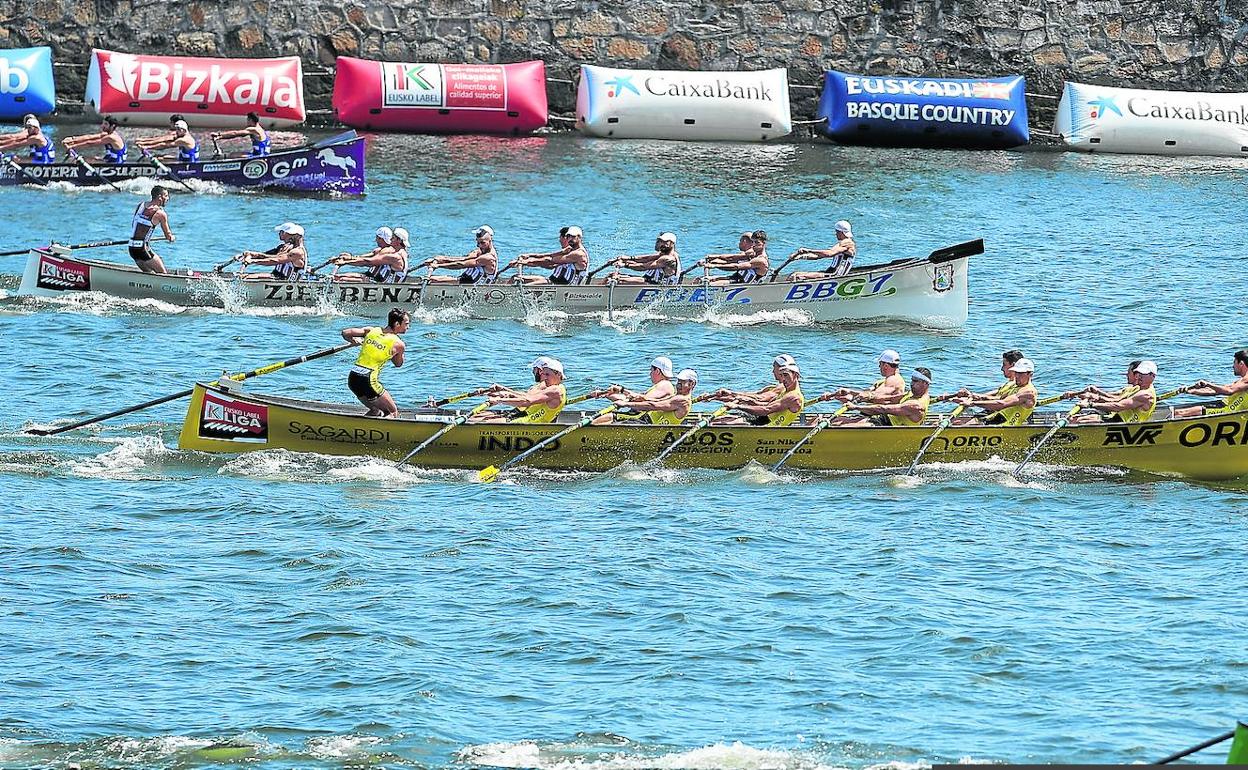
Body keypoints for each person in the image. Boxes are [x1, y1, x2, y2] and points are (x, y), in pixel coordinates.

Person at [341, 308, 410, 418]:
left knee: (375, 410)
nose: (408, 327)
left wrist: (354, 341)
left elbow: (346, 333)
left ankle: (362, 426)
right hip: (368, 379)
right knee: (392, 412)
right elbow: (398, 364)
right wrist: (396, 353)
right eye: (406, 324)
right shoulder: (399, 344)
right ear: (397, 324)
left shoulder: (371, 330)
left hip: (353, 378)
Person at [474, 357, 568, 424]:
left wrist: (499, 400)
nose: (544, 378)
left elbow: (527, 401)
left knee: (478, 421)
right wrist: (504, 392)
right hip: (527, 420)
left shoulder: (555, 390)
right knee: (476, 419)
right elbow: (527, 397)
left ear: (558, 374)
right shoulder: (556, 387)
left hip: (529, 424)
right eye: (544, 374)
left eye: (547, 374)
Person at [593, 356, 678, 424]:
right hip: (639, 416)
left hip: (644, 420)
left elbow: (641, 400)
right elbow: (632, 399)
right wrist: (605, 394)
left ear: (658, 371)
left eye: (651, 370)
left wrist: (622, 390)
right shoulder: (660, 386)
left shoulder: (665, 384)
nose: (650, 374)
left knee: (609, 417)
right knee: (606, 417)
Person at [716, 359, 804, 425]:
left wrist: (737, 406)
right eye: (781, 375)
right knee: (719, 420)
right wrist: (748, 401)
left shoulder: (793, 397)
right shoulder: (785, 390)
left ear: (795, 375)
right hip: (763, 419)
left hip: (768, 427)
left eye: (786, 375)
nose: (783, 379)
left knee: (717, 424)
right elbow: (766, 405)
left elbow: (766, 410)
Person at [954, 357, 1038, 425]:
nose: (1017, 376)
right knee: (956, 422)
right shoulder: (1016, 387)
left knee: (961, 424)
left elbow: (1002, 404)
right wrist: (975, 397)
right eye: (1016, 372)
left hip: (1006, 426)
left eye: (1020, 373)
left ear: (1030, 374)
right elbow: (998, 399)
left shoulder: (1028, 392)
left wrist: (973, 403)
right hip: (996, 418)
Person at [1071, 360, 1159, 424]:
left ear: (1153, 376)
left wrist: (1090, 405)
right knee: (1074, 419)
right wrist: (1097, 396)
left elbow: (1118, 406)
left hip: (1122, 424)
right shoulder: (1139, 388)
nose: (1139, 377)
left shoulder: (1146, 395)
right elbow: (1117, 399)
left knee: (1078, 421)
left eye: (1143, 374)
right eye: (1138, 374)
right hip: (1116, 418)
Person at [840, 368, 933, 427]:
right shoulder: (912, 394)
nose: (912, 384)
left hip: (888, 426)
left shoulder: (916, 405)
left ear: (925, 383)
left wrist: (856, 407)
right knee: (839, 421)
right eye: (912, 380)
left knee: (843, 426)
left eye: (915, 381)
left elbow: (884, 409)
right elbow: (889, 398)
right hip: (883, 419)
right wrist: (855, 394)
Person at [603, 368, 698, 425]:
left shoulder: (682, 400)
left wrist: (625, 404)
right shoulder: (677, 397)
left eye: (682, 382)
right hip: (644, 421)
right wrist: (624, 391)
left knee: (611, 425)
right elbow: (656, 401)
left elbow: (653, 406)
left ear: (692, 384)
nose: (678, 385)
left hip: (649, 426)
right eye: (678, 382)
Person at [707, 353, 798, 408]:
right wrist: (717, 397)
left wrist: (733, 396)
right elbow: (755, 395)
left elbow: (759, 399)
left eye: (774, 368)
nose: (772, 371)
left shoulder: (781, 388)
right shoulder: (775, 387)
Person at [821, 350, 907, 407]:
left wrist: (850, 392)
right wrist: (834, 396)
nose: (879, 367)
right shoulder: (882, 381)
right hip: (872, 414)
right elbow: (866, 394)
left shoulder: (894, 380)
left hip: (882, 419)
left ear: (886, 366)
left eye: (879, 364)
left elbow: (875, 396)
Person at [1176, 350, 1248, 417]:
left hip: (1227, 411)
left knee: (1180, 413)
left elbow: (1229, 391)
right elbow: (1216, 391)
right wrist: (1191, 391)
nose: (1233, 366)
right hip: (1223, 406)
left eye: (1234, 362)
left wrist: (1208, 384)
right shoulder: (1241, 381)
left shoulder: (1246, 379)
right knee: (1177, 412)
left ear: (1241, 364)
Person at [422, 225, 499, 284]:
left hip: (476, 286)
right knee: (431, 279)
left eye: (482, 243)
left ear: (490, 240)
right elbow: (463, 259)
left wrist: (438, 266)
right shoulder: (480, 250)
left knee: (433, 280)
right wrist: (440, 259)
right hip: (466, 279)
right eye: (478, 242)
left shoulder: (488, 257)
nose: (478, 245)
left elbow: (462, 265)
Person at [513, 226, 589, 285]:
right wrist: (528, 256)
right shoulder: (570, 249)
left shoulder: (579, 254)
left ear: (579, 237)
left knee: (526, 287)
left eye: (573, 236)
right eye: (568, 236)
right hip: (555, 282)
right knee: (515, 278)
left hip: (565, 288)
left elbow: (551, 261)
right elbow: (550, 255)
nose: (570, 239)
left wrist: (526, 262)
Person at [944, 349, 1026, 403]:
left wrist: (972, 400)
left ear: (1013, 365)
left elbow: (1001, 400)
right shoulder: (1007, 384)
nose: (1001, 368)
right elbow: (985, 396)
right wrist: (965, 396)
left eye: (1004, 365)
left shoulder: (1017, 386)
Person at [599, 232, 681, 285]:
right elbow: (646, 258)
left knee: (617, 279)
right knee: (611, 275)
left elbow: (643, 267)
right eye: (661, 241)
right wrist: (626, 258)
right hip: (649, 280)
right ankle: (596, 293)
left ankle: (597, 296)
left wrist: (624, 265)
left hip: (657, 285)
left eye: (665, 242)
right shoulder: (663, 254)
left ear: (672, 243)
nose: (661, 244)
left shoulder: (669, 259)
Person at [333, 227, 409, 283]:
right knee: (338, 277)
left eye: (393, 238)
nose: (390, 240)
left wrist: (345, 262)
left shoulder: (395, 257)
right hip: (382, 282)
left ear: (399, 240)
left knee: (340, 279)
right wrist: (348, 258)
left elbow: (368, 262)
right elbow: (366, 258)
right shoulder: (403, 252)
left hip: (386, 287)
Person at [127, 185, 174, 274]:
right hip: (142, 249)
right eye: (166, 196)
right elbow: (168, 235)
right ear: (160, 197)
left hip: (132, 248)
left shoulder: (140, 205)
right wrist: (172, 238)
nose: (168, 199)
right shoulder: (160, 214)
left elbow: (134, 225)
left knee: (149, 273)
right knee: (163, 273)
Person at [790, 220, 857, 281]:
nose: (836, 234)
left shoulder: (848, 243)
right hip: (830, 272)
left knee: (797, 276)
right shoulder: (840, 244)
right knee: (795, 274)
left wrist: (809, 250)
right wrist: (800, 257)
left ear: (841, 232)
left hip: (836, 275)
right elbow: (819, 256)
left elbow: (829, 253)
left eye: (837, 232)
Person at [240, 222, 308, 281]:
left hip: (286, 281)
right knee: (241, 276)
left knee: (245, 278)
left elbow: (276, 260)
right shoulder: (286, 247)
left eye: (283, 232)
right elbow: (267, 255)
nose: (279, 234)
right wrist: (250, 254)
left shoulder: (298, 252)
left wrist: (253, 261)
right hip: (276, 276)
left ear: (296, 236)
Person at [703, 230, 770, 284]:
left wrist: (714, 266)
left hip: (743, 286)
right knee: (702, 280)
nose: (754, 245)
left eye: (757, 242)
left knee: (710, 283)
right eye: (753, 242)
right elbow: (732, 258)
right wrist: (711, 260)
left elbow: (736, 267)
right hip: (736, 278)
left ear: (764, 243)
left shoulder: (761, 260)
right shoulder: (752, 253)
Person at [62, 116, 128, 164]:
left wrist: (71, 147)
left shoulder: (112, 137)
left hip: (115, 164)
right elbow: (89, 137)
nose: (102, 126)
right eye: (103, 123)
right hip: (109, 160)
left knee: (83, 160)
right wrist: (72, 139)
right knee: (89, 159)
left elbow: (90, 143)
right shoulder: (107, 134)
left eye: (106, 124)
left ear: (112, 126)